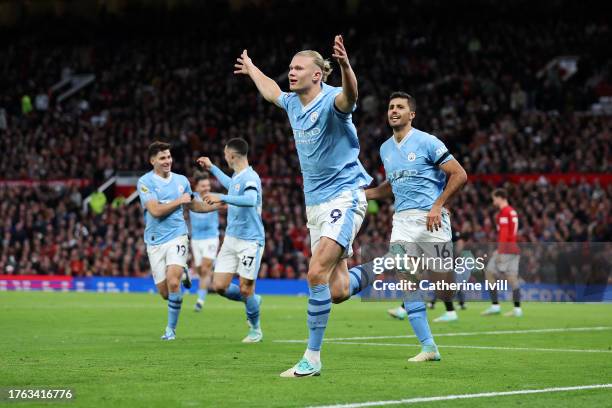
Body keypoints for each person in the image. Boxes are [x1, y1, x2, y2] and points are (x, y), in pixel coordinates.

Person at [235, 35, 372, 376]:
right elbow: (271, 92)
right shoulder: (294, 103)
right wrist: (252, 68)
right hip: (315, 205)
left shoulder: (332, 102)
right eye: (290, 67)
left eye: (298, 68)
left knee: (315, 273)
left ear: (317, 75)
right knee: (338, 290)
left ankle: (312, 357)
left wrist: (345, 65)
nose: (291, 72)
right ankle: (386, 266)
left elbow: (350, 95)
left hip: (345, 195)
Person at [366, 91, 467, 361]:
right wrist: (367, 194)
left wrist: (438, 205)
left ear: (412, 114)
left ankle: (452, 291)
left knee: (442, 283)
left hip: (431, 219)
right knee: (408, 282)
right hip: (402, 222)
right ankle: (429, 347)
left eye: (400, 107)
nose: (394, 111)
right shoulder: (385, 149)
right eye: (390, 107)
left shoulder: (427, 141)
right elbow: (392, 185)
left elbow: (459, 174)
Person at [138, 141, 218, 341]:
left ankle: (170, 330)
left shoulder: (182, 181)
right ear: (153, 161)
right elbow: (155, 211)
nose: (167, 161)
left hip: (178, 235)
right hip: (155, 241)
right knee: (165, 293)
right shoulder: (145, 182)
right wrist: (179, 202)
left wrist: (221, 205)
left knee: (174, 283)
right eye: (163, 158)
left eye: (169, 157)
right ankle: (182, 272)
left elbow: (194, 206)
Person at [197, 138, 266, 343]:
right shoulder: (238, 177)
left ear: (233, 156)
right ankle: (253, 300)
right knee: (219, 286)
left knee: (245, 288)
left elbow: (251, 200)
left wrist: (223, 197)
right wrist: (212, 168)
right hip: (231, 239)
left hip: (250, 241)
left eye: (226, 154)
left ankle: (255, 330)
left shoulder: (251, 177)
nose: (225, 157)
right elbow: (231, 185)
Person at [481, 188, 522, 317]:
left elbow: (504, 234)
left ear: (500, 198)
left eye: (494, 198)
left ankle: (495, 306)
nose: (493, 201)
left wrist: (499, 250)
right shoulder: (512, 211)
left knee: (489, 272)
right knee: (512, 278)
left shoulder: (504, 212)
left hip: (505, 250)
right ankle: (517, 310)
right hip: (514, 249)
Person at [189, 173, 222, 312]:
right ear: (196, 187)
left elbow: (227, 205)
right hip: (196, 239)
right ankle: (210, 276)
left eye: (208, 185)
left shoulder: (215, 197)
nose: (206, 188)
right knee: (199, 271)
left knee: (205, 268)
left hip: (211, 237)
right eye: (203, 186)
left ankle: (200, 300)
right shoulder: (191, 198)